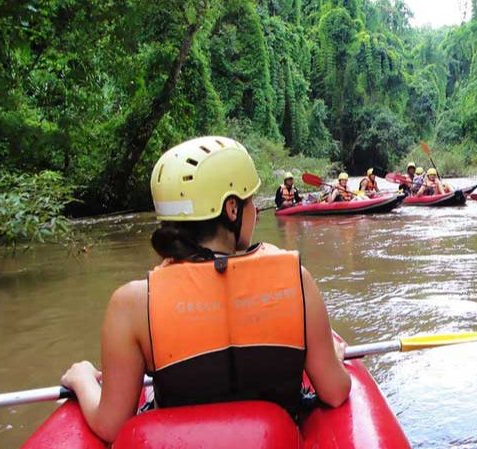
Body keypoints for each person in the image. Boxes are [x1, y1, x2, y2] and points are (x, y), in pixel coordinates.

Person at [60, 136, 351, 443]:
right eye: (250, 200)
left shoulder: (131, 304)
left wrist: (82, 379)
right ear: (232, 209)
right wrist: (332, 357)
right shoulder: (296, 279)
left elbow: (111, 424)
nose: (255, 210)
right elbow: (334, 392)